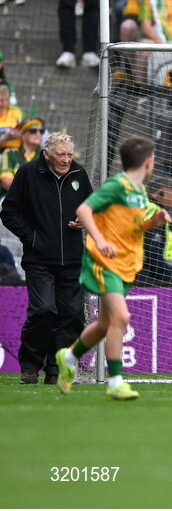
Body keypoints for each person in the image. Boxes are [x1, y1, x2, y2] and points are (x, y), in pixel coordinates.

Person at [52, 136, 167, 400]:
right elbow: (83, 210)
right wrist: (100, 240)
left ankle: (68, 358)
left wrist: (154, 222)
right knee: (121, 319)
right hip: (105, 263)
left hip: (126, 263)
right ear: (148, 163)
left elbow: (133, 228)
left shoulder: (139, 192)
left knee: (105, 323)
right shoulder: (117, 185)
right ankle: (115, 381)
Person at [1, 131, 92, 385]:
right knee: (42, 310)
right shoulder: (28, 173)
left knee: (72, 314)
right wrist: (32, 238)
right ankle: (30, 366)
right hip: (39, 259)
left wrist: (84, 221)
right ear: (47, 153)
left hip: (73, 259)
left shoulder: (79, 174)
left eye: (69, 155)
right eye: (61, 155)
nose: (66, 160)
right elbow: (8, 212)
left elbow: (90, 207)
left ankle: (56, 368)